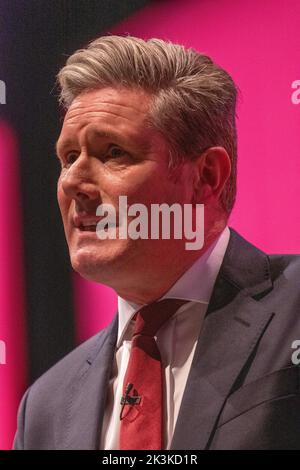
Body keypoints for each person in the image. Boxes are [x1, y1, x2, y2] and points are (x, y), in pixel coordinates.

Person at [14, 35, 300, 450]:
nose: (73, 181)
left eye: (112, 152)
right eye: (68, 157)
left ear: (206, 177)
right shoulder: (44, 407)